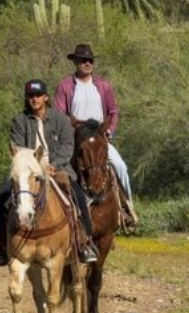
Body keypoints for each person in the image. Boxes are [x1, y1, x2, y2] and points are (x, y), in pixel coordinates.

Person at [4, 78, 101, 264]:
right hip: (28, 171)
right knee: (2, 197)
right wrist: (35, 167)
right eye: (31, 96)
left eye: (38, 95)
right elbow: (18, 149)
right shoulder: (19, 121)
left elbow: (67, 146)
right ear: (27, 98)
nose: (35, 99)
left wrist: (54, 165)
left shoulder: (61, 120)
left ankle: (85, 242)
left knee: (78, 197)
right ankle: (1, 246)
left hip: (58, 169)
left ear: (46, 97)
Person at [55, 44, 138, 229]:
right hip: (76, 139)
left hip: (100, 137)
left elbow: (113, 111)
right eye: (83, 60)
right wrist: (67, 133)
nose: (87, 63)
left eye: (90, 60)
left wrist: (109, 130)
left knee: (120, 167)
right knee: (63, 172)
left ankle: (126, 209)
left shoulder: (103, 86)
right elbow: (60, 113)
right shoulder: (65, 86)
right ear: (75, 62)